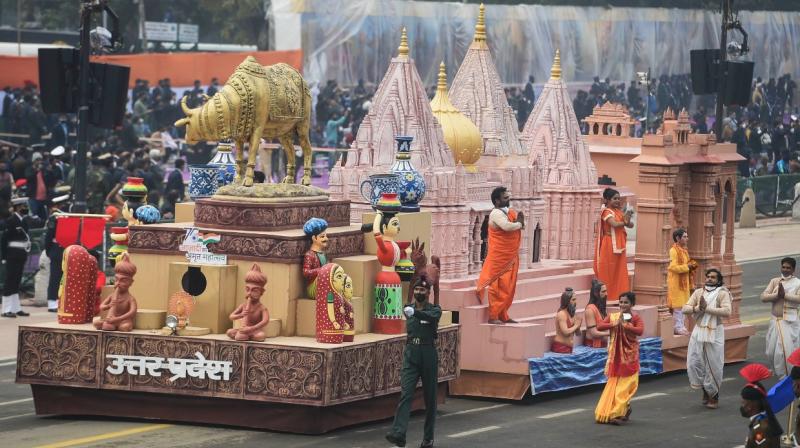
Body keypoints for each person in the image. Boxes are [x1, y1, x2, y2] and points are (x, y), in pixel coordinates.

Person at [385, 274, 441, 448]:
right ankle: (398, 433)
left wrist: (416, 313)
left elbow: (431, 317)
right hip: (411, 353)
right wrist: (413, 310)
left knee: (430, 398)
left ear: (428, 292)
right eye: (417, 289)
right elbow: (409, 308)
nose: (419, 292)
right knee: (406, 393)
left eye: (422, 290)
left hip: (428, 353)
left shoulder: (434, 310)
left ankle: (428, 438)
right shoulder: (408, 308)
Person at [682, 268, 732, 409]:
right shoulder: (699, 292)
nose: (710, 279)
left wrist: (706, 309)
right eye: (708, 276)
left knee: (713, 365)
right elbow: (685, 308)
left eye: (713, 277)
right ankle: (706, 390)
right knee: (695, 362)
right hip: (698, 331)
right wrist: (698, 308)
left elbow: (727, 311)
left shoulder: (722, 293)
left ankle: (713, 395)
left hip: (715, 332)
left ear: (719, 280)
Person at [476, 186, 524, 324]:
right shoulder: (496, 213)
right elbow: (507, 227)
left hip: (510, 256)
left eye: (508, 197)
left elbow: (518, 224)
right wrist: (519, 224)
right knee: (498, 287)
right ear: (497, 201)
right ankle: (493, 316)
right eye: (505, 197)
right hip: (499, 257)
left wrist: (520, 223)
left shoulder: (509, 212)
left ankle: (503, 315)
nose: (508, 199)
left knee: (509, 287)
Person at [594, 291, 644, 425]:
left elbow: (640, 331)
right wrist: (614, 324)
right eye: (621, 302)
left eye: (626, 302)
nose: (622, 304)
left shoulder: (635, 317)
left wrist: (627, 325)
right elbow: (599, 325)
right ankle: (621, 410)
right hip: (616, 357)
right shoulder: (613, 317)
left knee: (624, 388)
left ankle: (617, 413)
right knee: (616, 386)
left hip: (630, 357)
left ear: (632, 304)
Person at [761, 257, 800, 377]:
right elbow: (763, 297)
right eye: (783, 267)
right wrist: (777, 295)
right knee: (771, 352)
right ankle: (781, 373)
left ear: (793, 269)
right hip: (775, 321)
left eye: (788, 268)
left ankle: (787, 377)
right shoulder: (775, 281)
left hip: (789, 322)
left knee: (784, 352)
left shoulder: (797, 283)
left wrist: (785, 295)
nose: (785, 269)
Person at [593, 188, 633, 302]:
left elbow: (630, 225)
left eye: (618, 199)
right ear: (607, 200)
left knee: (619, 272)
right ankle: (608, 297)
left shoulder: (618, 211)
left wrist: (628, 217)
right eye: (615, 198)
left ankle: (619, 297)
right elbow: (614, 224)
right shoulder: (606, 212)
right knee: (608, 271)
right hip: (609, 244)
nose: (617, 201)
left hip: (620, 245)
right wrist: (625, 222)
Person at [738, 363, 783, 447]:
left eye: (743, 402)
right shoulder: (762, 421)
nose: (741, 405)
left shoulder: (760, 429)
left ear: (750, 406)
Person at [1, 197, 32, 318]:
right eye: (23, 206)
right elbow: (4, 240)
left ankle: (16, 308)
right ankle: (6, 309)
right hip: (12, 255)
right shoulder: (11, 221)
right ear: (17, 207)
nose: (25, 208)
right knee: (10, 281)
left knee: (16, 282)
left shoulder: (24, 221)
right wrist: (4, 257)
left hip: (21, 254)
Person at [667, 228, 698, 335]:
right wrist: (687, 267)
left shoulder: (684, 251)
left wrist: (692, 266)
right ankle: (677, 328)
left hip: (685, 283)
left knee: (684, 306)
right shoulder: (673, 251)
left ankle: (682, 326)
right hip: (676, 283)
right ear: (677, 238)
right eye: (684, 237)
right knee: (678, 307)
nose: (687, 239)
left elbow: (688, 264)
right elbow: (672, 267)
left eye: (687, 236)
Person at [43, 192, 70, 312]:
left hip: (65, 249)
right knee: (55, 277)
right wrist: (49, 251)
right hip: (56, 249)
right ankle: (52, 302)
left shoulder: (67, 217)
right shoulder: (54, 218)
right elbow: (49, 237)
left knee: (64, 278)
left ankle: (61, 301)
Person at [302, 217, 329, 298]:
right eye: (322, 236)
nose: (326, 238)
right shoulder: (310, 255)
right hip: (314, 287)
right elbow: (306, 272)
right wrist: (321, 270)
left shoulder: (323, 254)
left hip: (324, 284)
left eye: (326, 236)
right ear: (314, 238)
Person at [552, 288, 582, 353]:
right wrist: (576, 325)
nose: (575, 302)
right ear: (567, 301)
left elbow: (578, 334)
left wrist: (578, 325)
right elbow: (565, 332)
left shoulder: (573, 315)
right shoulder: (562, 314)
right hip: (560, 347)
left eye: (576, 299)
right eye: (573, 300)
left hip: (569, 348)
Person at [584, 280, 610, 348]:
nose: (606, 294)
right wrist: (611, 333)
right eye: (603, 291)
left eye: (606, 291)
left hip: (603, 346)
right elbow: (593, 333)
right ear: (596, 293)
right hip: (593, 347)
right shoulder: (590, 310)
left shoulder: (601, 307)